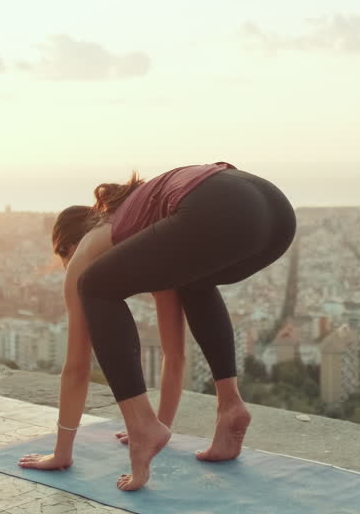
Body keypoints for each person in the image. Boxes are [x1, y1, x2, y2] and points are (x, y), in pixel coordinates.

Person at [18, 163, 296, 491]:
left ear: (68, 246)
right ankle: (230, 405)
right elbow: (173, 354)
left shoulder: (93, 241)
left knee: (93, 285)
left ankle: (141, 427)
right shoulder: (157, 232)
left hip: (221, 205)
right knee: (195, 281)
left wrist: (61, 452)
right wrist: (162, 424)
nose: (68, 266)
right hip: (275, 214)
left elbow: (77, 368)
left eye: (64, 258)